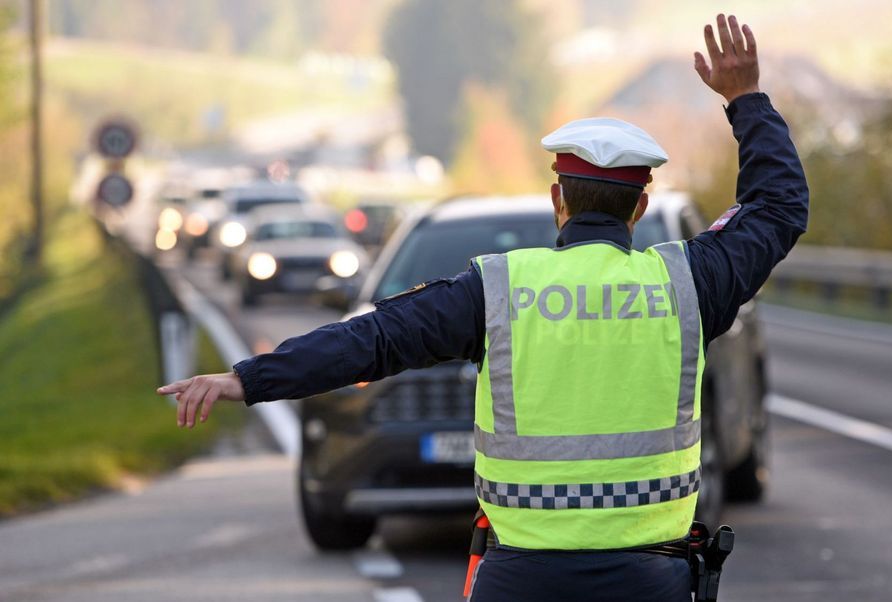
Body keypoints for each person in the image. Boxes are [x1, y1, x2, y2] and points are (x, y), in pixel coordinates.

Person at [158, 13, 807, 601]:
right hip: (648, 582)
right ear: (639, 209)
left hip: (519, 582)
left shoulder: (497, 291)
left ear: (559, 199)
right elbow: (778, 206)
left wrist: (246, 378)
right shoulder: (686, 285)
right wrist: (744, 98)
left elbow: (371, 340)